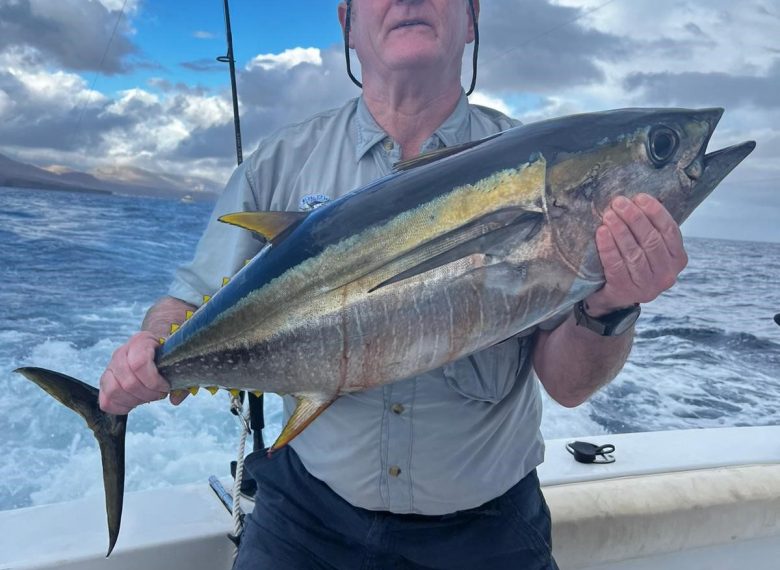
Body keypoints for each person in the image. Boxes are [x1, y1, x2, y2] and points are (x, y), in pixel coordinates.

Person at [98, 1, 689, 568]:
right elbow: (188, 301)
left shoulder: (528, 152)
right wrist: (151, 348)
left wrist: (612, 303)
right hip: (304, 518)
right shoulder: (279, 163)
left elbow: (567, 387)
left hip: (486, 532)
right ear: (347, 23)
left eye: (661, 149)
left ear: (472, 16)